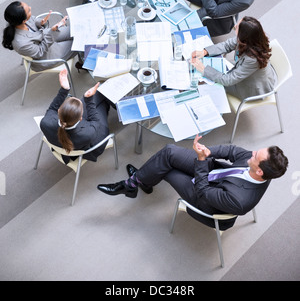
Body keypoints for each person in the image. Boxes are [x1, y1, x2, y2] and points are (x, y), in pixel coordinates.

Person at [97, 135, 288, 230]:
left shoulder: (239, 199)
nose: (252, 152)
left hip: (205, 201)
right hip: (216, 174)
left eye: (256, 155)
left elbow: (203, 190)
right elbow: (231, 151)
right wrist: (207, 152)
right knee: (169, 152)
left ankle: (137, 182)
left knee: (166, 167)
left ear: (260, 171)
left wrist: (201, 161)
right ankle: (135, 183)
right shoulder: (258, 165)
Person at [190, 16, 276, 101]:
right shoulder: (250, 38)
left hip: (252, 89)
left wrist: (204, 69)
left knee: (210, 83)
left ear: (244, 34)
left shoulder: (252, 60)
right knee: (214, 74)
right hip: (245, 73)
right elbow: (226, 45)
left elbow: (228, 80)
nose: (235, 26)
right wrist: (205, 52)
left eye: (238, 26)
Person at [40, 69, 110, 164]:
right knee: (103, 104)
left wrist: (64, 90)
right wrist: (88, 100)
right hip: (92, 142)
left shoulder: (46, 122)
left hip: (72, 140)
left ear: (59, 111)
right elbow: (95, 122)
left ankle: (107, 101)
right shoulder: (86, 134)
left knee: (100, 96)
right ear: (81, 118)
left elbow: (52, 108)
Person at [2, 1, 78, 71]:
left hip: (46, 36)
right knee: (80, 43)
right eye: (29, 10)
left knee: (76, 30)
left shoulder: (20, 20)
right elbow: (40, 51)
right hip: (47, 55)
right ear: (24, 21)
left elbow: (34, 19)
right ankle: (81, 64)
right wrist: (52, 31)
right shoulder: (21, 43)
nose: (30, 7)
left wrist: (41, 22)